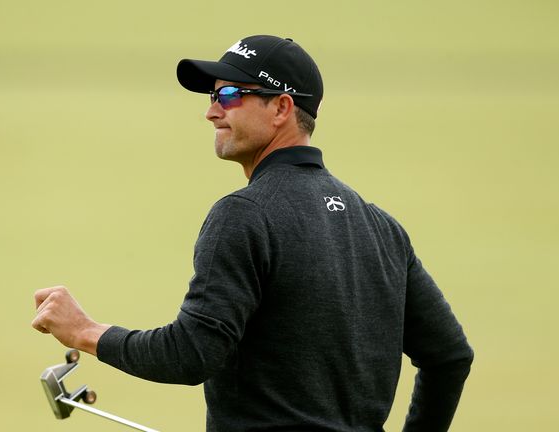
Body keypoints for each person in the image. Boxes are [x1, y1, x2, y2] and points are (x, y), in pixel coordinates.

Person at [32, 35, 473, 432]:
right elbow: (450, 356)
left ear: (281, 108)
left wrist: (86, 332)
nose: (210, 111)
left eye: (229, 95)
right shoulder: (380, 226)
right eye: (212, 95)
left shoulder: (243, 215)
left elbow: (190, 354)